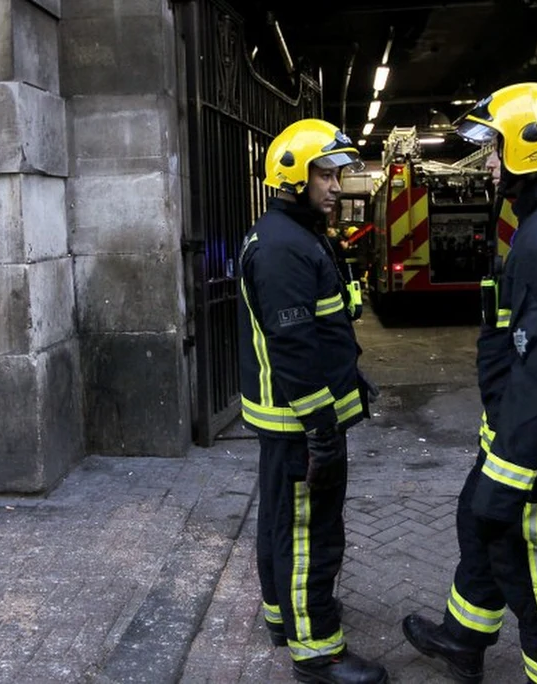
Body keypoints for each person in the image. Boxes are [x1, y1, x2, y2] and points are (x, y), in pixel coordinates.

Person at [402, 82, 537, 684]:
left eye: (496, 149)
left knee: (532, 561)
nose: (490, 161)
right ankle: (463, 639)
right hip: (523, 426)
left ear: (530, 148)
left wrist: (510, 470)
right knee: (480, 521)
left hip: (534, 440)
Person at [237, 118, 386, 684]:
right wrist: (322, 430)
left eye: (337, 174)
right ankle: (318, 651)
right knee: (310, 534)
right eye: (325, 174)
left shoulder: (296, 235)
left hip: (293, 418)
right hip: (301, 422)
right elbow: (295, 349)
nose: (336, 184)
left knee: (282, 522)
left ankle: (285, 618)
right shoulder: (282, 247)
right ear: (295, 178)